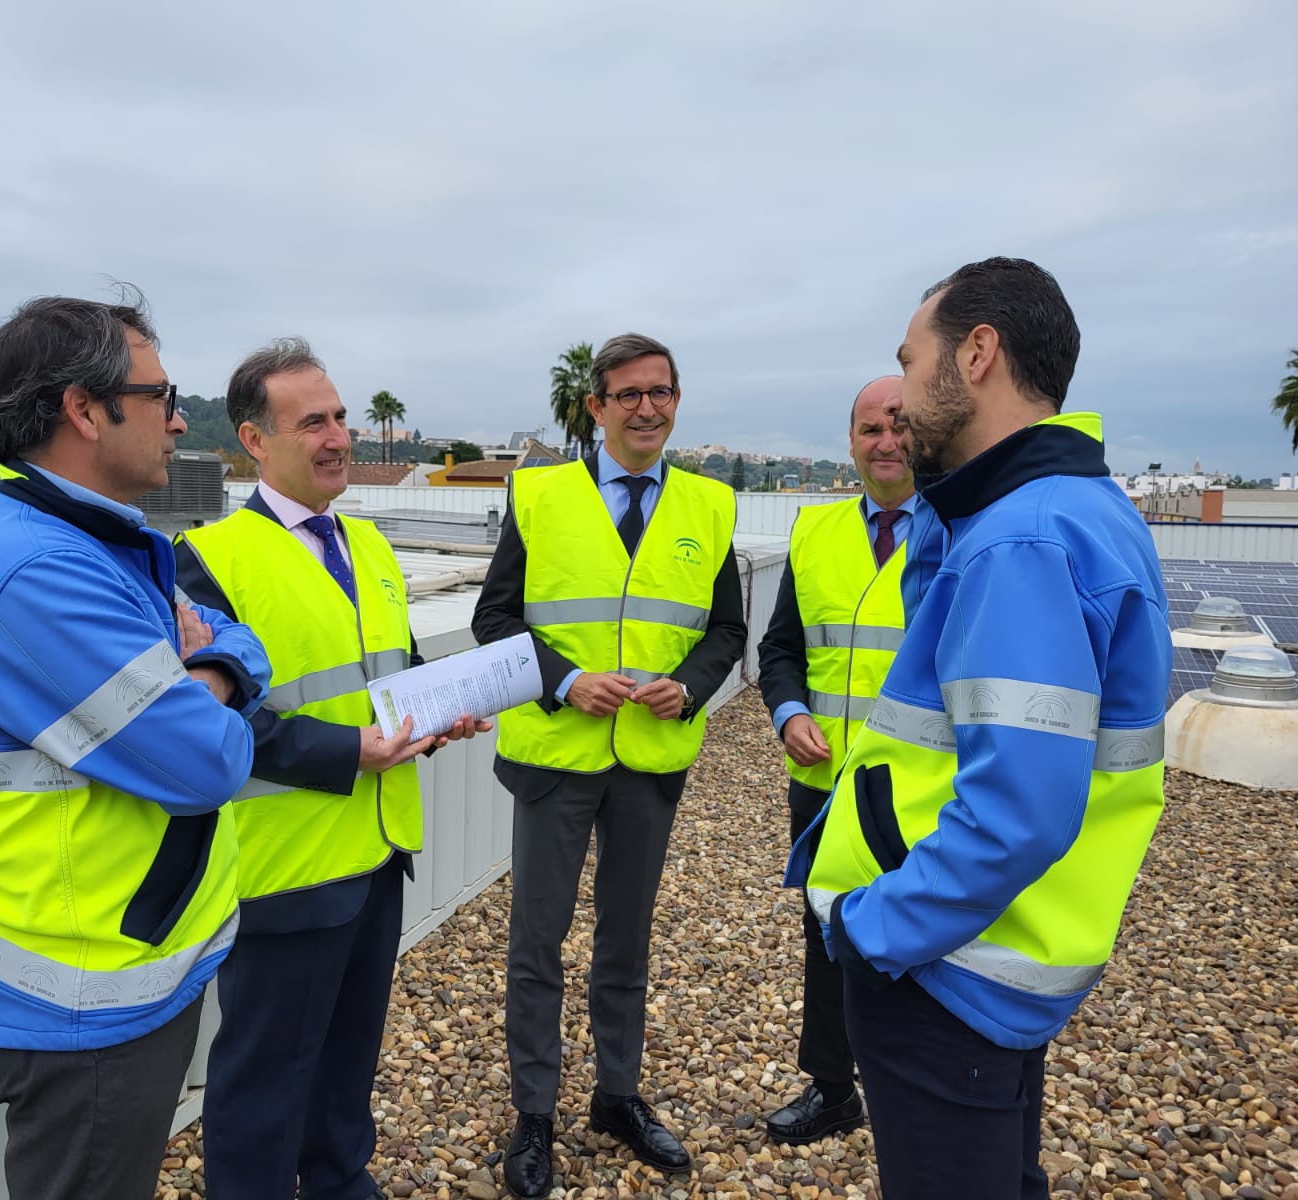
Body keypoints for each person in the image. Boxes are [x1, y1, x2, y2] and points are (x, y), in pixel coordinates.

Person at [789, 257, 1172, 1199]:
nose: (904, 399)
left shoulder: (1021, 540)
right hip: (1004, 949)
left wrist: (878, 932)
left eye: (913, 362)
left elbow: (1017, 812)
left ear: (979, 353)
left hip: (942, 964)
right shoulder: (1074, 508)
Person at [0, 293, 273, 1200]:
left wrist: (216, 663)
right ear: (86, 408)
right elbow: (209, 762)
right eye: (162, 395)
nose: (180, 418)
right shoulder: (41, 573)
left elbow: (234, 636)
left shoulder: (97, 546)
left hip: (130, 976)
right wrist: (221, 674)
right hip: (82, 1010)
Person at [174, 338, 486, 1200]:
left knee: (350, 1055)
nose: (337, 435)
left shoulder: (372, 548)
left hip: (379, 850)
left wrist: (441, 714)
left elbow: (396, 680)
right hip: (287, 864)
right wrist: (352, 752)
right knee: (264, 1074)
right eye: (312, 421)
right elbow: (218, 722)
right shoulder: (207, 559)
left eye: (340, 416)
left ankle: (343, 1179)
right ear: (253, 440)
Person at [472, 333, 747, 1196]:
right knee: (538, 944)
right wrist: (563, 680)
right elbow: (494, 620)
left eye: (661, 392)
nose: (647, 408)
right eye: (627, 395)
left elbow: (726, 633)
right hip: (558, 756)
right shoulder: (540, 494)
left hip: (649, 762)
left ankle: (617, 1097)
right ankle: (535, 1115)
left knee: (626, 944)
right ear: (596, 408)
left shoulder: (710, 505)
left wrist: (690, 688)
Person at [757, 375, 914, 1144]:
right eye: (869, 429)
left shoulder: (959, 530)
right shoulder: (815, 532)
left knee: (922, 939)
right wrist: (787, 713)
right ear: (850, 442)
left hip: (918, 790)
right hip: (822, 783)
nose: (885, 441)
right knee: (827, 936)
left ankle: (916, 1090)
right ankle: (832, 1087)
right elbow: (781, 648)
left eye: (899, 424)